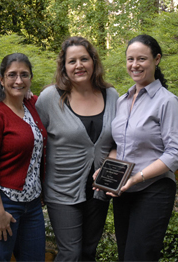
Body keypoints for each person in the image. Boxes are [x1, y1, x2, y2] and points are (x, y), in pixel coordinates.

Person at [35, 36, 119, 262]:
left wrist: (109, 168)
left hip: (100, 188)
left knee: (88, 252)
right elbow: (35, 140)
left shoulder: (111, 96)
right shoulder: (51, 98)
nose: (79, 65)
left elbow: (119, 142)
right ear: (64, 67)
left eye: (84, 59)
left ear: (94, 61)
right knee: (70, 253)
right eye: (72, 61)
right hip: (61, 189)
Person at [109, 34, 178, 261]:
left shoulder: (167, 102)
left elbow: (176, 154)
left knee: (139, 257)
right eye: (130, 59)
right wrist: (107, 172)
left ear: (157, 59)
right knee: (125, 255)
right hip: (123, 191)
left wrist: (137, 177)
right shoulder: (122, 101)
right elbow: (118, 146)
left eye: (141, 59)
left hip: (154, 190)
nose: (135, 65)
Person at [0, 53, 47, 261]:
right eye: (12, 75)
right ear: (1, 79)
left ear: (31, 79)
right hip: (3, 203)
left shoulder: (31, 106)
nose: (18, 80)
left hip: (32, 205)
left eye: (24, 75)